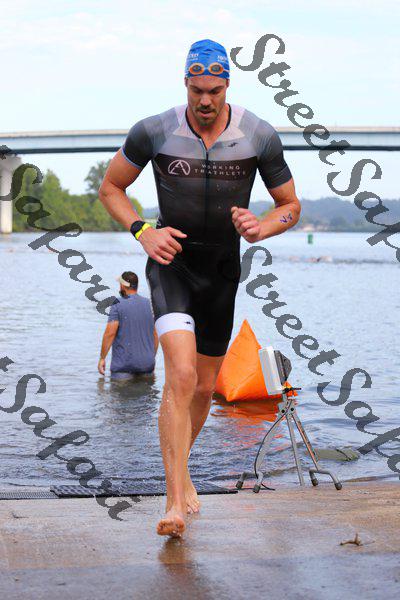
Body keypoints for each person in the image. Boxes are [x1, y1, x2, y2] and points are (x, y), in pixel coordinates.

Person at [99, 39, 301, 537]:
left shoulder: (259, 134)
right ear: (185, 84)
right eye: (196, 91)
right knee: (182, 375)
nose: (205, 101)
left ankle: (181, 472)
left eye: (214, 90)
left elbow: (290, 206)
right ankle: (173, 502)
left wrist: (262, 228)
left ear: (227, 84)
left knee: (206, 388)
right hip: (171, 264)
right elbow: (111, 187)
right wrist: (143, 231)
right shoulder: (154, 130)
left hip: (223, 271)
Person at [98, 271, 158, 379]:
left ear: (122, 285)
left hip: (123, 367)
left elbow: (110, 333)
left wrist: (102, 358)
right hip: (147, 366)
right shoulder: (150, 305)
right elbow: (155, 334)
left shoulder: (117, 304)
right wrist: (150, 357)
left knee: (120, 389)